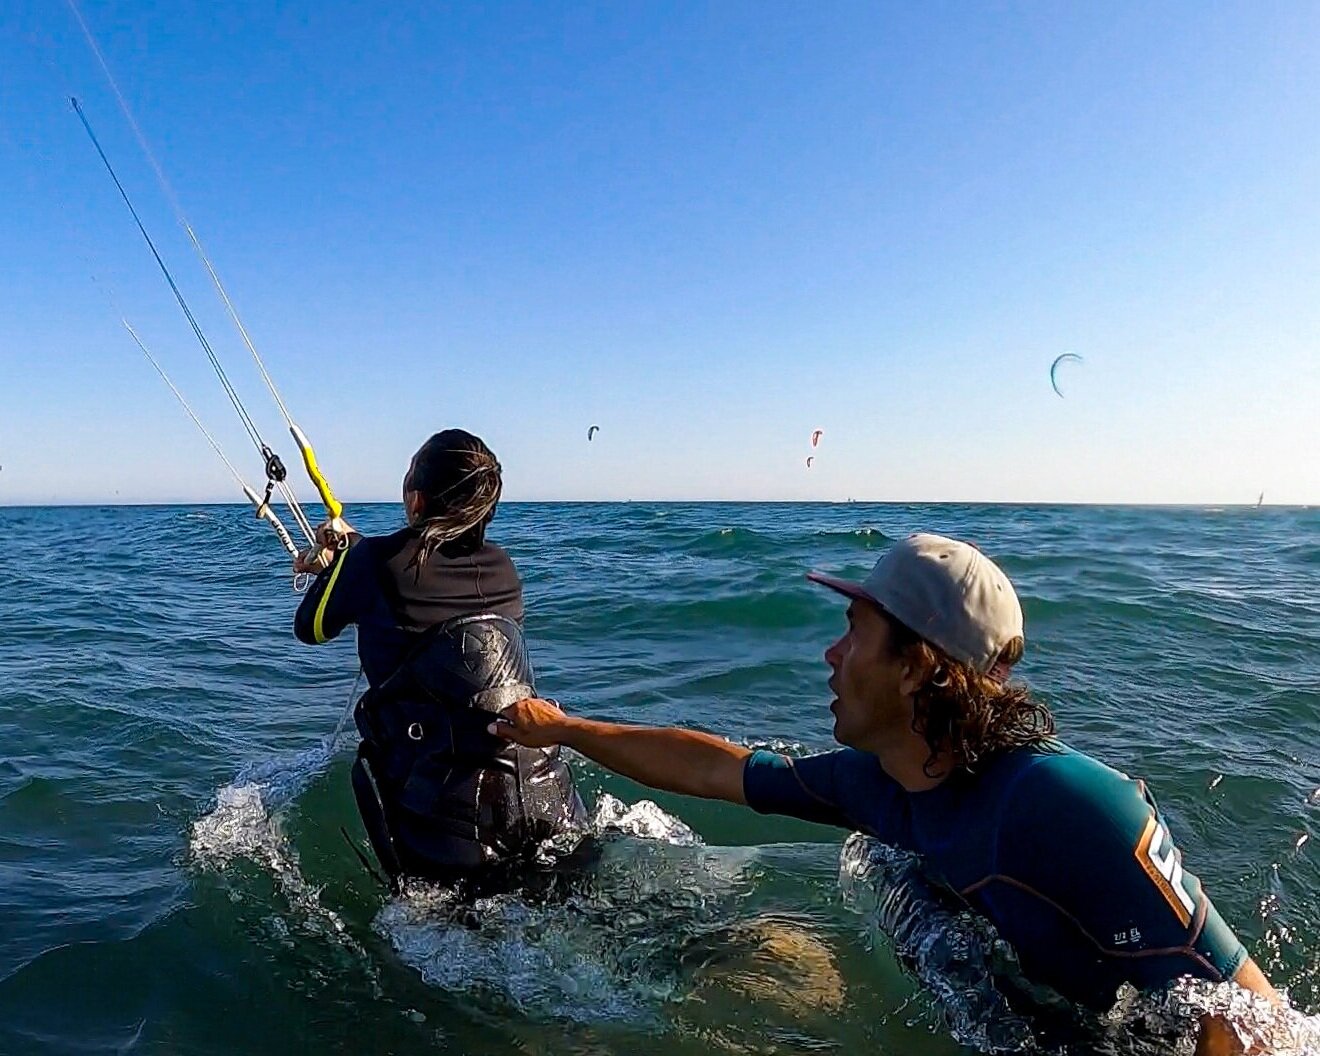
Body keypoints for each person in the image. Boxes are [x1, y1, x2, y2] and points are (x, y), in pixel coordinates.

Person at [492, 532, 1274, 1054]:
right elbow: (714, 769)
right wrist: (565, 729)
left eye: (854, 633)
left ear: (916, 667)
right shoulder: (873, 783)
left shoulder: (1070, 804)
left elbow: (1250, 1015)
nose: (831, 655)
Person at [292, 428, 586, 886]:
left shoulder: (372, 562)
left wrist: (336, 565)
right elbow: (425, 581)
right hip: (545, 797)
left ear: (417, 502)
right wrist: (354, 559)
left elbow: (309, 628)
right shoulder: (504, 568)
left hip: (448, 820)